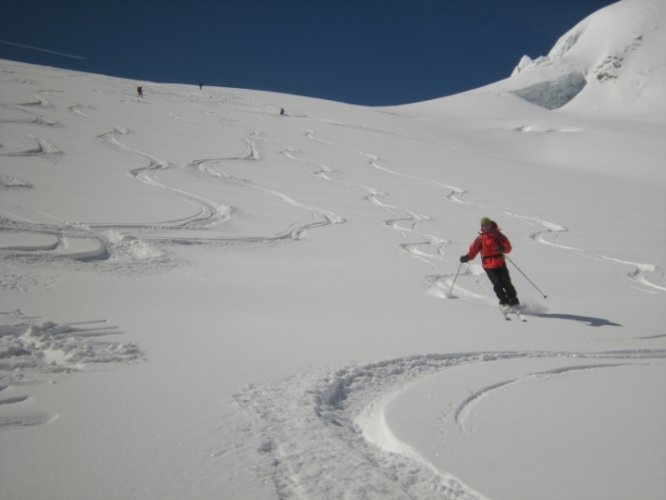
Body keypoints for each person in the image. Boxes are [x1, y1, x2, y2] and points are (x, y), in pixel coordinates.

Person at [460, 217, 519, 307]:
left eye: (487, 225)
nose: (486, 228)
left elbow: (508, 247)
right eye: (484, 226)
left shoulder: (499, 235)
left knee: (506, 282)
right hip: (488, 266)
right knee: (497, 284)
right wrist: (467, 257)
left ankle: (513, 299)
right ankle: (504, 300)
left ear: (491, 225)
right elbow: (473, 250)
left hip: (500, 263)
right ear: (481, 227)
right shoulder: (480, 239)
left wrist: (503, 248)